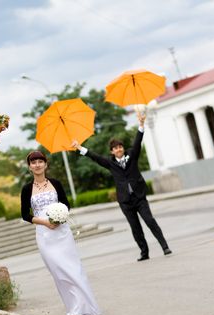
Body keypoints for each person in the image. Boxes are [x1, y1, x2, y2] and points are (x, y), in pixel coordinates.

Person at [71, 112, 172, 262]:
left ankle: (164, 246)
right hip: (125, 201)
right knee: (135, 228)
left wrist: (141, 124)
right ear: (112, 151)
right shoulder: (110, 164)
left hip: (139, 197)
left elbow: (137, 142)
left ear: (122, 148)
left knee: (149, 220)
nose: (118, 149)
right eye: (115, 148)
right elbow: (95, 157)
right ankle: (144, 252)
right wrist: (79, 147)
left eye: (120, 147)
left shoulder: (132, 156)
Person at [21, 150, 101, 315]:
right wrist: (45, 222)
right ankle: (72, 311)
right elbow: (25, 215)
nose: (37, 165)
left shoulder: (56, 183)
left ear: (45, 164)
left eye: (40, 161)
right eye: (33, 162)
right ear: (29, 167)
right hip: (44, 236)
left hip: (62, 233)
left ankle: (77, 312)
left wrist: (59, 217)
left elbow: (66, 204)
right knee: (59, 274)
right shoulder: (27, 189)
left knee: (73, 270)